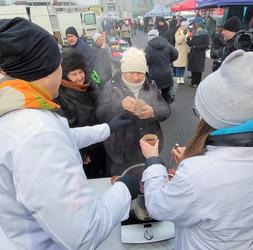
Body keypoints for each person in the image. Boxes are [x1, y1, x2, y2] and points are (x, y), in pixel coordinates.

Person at [0, 17, 140, 249]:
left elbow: (65, 136)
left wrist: (109, 127)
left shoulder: (20, 107)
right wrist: (124, 189)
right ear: (48, 68)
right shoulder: (36, 135)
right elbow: (85, 233)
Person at [139, 50, 253, 250]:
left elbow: (158, 207)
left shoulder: (198, 175)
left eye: (198, 111)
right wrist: (196, 161)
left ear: (211, 117)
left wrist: (153, 161)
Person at [96, 48, 171, 176]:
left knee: (149, 181)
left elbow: (166, 110)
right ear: (124, 71)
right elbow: (100, 114)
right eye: (131, 72)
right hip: (121, 151)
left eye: (140, 72)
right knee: (123, 184)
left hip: (148, 146)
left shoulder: (151, 85)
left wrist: (153, 112)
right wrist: (119, 105)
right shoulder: (111, 87)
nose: (136, 77)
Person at [54, 49, 107, 178]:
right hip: (86, 149)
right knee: (93, 178)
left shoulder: (89, 86)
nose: (79, 78)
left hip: (101, 141)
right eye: (74, 74)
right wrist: (81, 153)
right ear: (65, 75)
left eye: (81, 72)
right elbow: (65, 130)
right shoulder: (61, 97)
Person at [144, 29, 178, 104]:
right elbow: (175, 54)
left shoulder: (148, 48)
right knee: (166, 92)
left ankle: (158, 109)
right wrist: (168, 60)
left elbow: (146, 61)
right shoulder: (167, 44)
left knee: (155, 93)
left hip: (154, 75)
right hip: (167, 73)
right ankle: (166, 106)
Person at [187, 21, 209, 87]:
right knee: (193, 68)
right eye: (196, 26)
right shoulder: (195, 34)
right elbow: (191, 43)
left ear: (202, 27)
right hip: (193, 53)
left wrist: (197, 47)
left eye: (198, 26)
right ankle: (193, 82)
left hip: (199, 54)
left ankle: (197, 82)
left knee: (198, 69)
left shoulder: (205, 34)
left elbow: (206, 45)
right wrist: (188, 39)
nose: (197, 28)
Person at [173, 21, 190, 85]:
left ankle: (182, 77)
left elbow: (190, 40)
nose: (185, 27)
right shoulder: (178, 32)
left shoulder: (188, 31)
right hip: (179, 51)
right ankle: (178, 78)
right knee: (178, 65)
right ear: (181, 26)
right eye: (183, 26)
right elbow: (178, 41)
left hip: (185, 51)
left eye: (186, 26)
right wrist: (183, 35)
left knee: (183, 65)